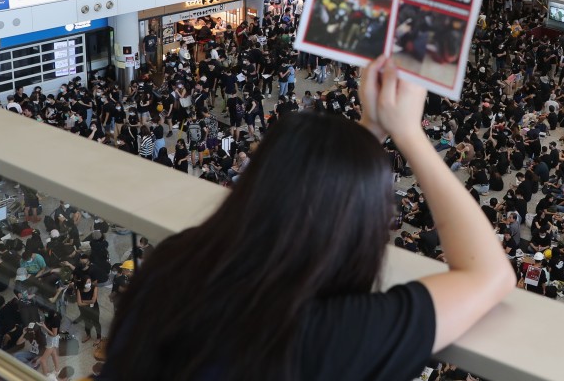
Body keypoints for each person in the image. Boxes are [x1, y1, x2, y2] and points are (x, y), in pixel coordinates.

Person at [100, 56, 514, 380]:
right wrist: (409, 133)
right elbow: (491, 274)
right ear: (362, 228)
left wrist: (369, 129)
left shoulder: (176, 262)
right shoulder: (329, 335)